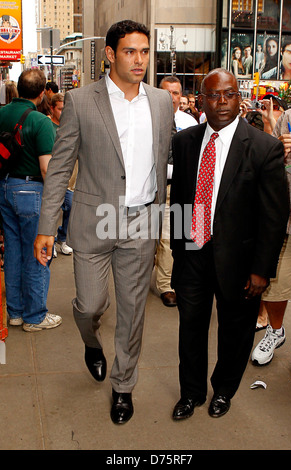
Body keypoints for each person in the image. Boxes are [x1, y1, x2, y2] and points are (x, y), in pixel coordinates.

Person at [34, 20, 174, 425]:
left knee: (132, 313)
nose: (139, 60)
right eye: (130, 51)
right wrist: (47, 227)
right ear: (110, 54)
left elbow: (165, 158)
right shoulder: (81, 100)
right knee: (90, 304)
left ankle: (123, 386)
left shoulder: (162, 103)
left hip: (141, 221)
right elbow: (60, 168)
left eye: (145, 52)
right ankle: (90, 342)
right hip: (95, 221)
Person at [170, 68, 289, 420]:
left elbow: (274, 216)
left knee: (235, 332)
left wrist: (261, 270)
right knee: (190, 329)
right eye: (214, 95)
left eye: (230, 94)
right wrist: (179, 251)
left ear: (240, 98)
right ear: (201, 100)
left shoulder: (264, 148)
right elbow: (179, 202)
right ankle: (191, 393)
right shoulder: (185, 142)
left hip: (240, 264)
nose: (222, 102)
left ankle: (223, 390)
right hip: (192, 256)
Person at [0, 69, 62, 332]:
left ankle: (14, 312)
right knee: (39, 252)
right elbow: (47, 168)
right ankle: (35, 316)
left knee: (13, 251)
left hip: (3, 187)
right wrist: (54, 204)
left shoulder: (1, 113)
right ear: (41, 94)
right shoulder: (41, 121)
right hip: (30, 190)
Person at [251, 105, 291, 382]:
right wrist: (281, 153)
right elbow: (282, 168)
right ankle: (275, 332)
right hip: (290, 220)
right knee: (275, 286)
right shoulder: (290, 118)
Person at [156, 76, 197, 308]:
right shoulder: (148, 119)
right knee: (153, 239)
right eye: (168, 92)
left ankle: (166, 285)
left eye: (176, 93)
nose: (173, 98)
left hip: (179, 188)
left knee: (171, 237)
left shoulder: (189, 122)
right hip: (152, 188)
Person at [50, 93, 75, 257]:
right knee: (52, 209)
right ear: (52, 109)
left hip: (70, 181)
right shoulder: (47, 125)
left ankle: (63, 238)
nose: (63, 112)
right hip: (52, 179)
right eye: (60, 109)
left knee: (71, 207)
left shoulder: (71, 125)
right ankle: (50, 240)